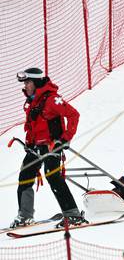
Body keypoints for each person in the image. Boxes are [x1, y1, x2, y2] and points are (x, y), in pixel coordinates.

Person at [11, 67, 87, 228]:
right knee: (25, 176)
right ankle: (25, 216)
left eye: (28, 82)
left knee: (52, 176)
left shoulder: (52, 99)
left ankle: (73, 215)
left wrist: (64, 139)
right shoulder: (32, 101)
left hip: (52, 146)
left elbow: (74, 115)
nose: (25, 86)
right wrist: (29, 142)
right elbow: (33, 126)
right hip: (36, 147)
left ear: (37, 82)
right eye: (25, 83)